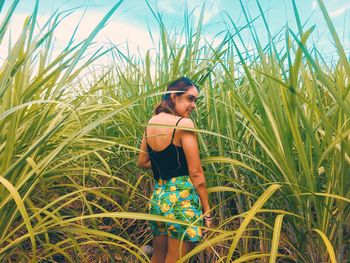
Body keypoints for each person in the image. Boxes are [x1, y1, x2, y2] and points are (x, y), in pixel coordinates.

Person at [138, 77, 212, 262]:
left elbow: (142, 161)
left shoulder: (151, 122)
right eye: (190, 98)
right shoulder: (184, 124)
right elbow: (196, 173)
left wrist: (166, 165)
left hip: (158, 197)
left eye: (195, 100)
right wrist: (207, 211)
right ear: (174, 96)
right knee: (175, 258)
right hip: (182, 199)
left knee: (158, 256)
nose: (193, 105)